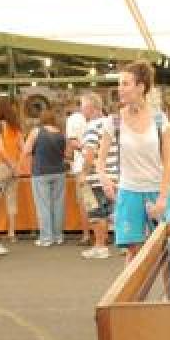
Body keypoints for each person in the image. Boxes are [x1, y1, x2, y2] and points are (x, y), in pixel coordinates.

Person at [99, 60, 170, 263]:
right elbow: (100, 159)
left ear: (141, 87)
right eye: (119, 83)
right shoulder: (113, 121)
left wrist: (163, 199)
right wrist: (104, 177)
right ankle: (132, 296)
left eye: (125, 83)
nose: (120, 88)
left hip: (158, 190)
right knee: (134, 252)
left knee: (168, 251)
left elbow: (168, 162)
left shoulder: (160, 120)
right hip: (129, 191)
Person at [20, 109, 68, 247]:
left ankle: (46, 238)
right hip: (59, 171)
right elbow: (67, 153)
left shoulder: (36, 131)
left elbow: (26, 150)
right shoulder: (60, 133)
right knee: (58, 205)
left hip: (41, 172)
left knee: (43, 206)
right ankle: (58, 236)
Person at [79, 98, 115, 259]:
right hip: (114, 174)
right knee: (111, 211)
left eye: (82, 107)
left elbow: (90, 152)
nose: (81, 111)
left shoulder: (91, 127)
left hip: (96, 175)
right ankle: (112, 244)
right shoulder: (111, 123)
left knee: (96, 212)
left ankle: (100, 246)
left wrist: (83, 173)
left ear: (90, 108)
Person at [0, 96, 23, 244]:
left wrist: (9, 163)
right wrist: (17, 165)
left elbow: (0, 147)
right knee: (12, 199)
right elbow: (23, 147)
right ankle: (12, 233)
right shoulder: (16, 126)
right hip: (14, 166)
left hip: (1, 166)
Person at [69, 97, 95, 244]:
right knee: (99, 201)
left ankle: (87, 235)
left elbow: (73, 142)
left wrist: (85, 151)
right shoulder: (102, 119)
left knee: (85, 202)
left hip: (82, 166)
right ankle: (101, 236)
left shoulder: (73, 119)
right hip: (98, 165)